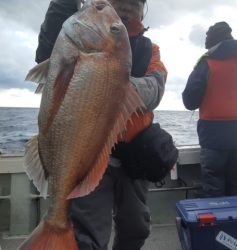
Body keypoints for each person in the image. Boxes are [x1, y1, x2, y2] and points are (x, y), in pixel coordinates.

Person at [36, 0, 177, 249]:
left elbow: (156, 87)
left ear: (143, 11)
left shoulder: (150, 49)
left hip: (135, 156)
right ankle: (57, 226)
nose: (129, 7)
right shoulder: (74, 36)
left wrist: (117, 85)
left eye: (136, 3)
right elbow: (47, 51)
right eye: (121, 1)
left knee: (137, 227)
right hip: (88, 155)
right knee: (88, 236)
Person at [182, 21, 237, 198]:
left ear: (211, 41)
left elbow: (189, 101)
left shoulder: (206, 63)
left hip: (214, 137)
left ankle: (217, 225)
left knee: (213, 188)